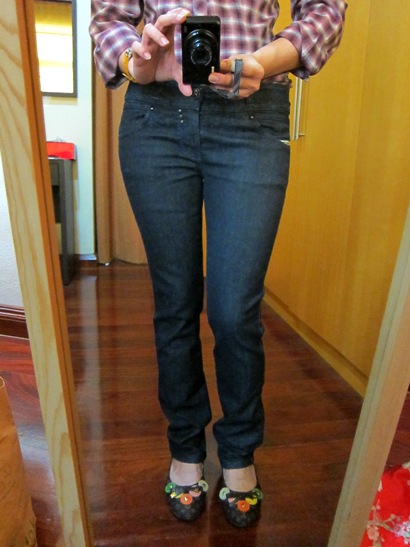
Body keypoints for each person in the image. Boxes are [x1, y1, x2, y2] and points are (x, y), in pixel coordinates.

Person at [89, 0, 346, 527]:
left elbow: (325, 9)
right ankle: (185, 443)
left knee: (234, 310)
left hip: (252, 115)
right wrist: (140, 61)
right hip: (156, 115)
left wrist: (267, 61)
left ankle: (238, 448)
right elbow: (108, 19)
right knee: (175, 302)